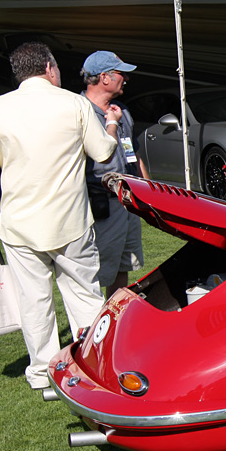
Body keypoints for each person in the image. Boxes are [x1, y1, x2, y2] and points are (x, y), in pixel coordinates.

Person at [0, 42, 120, 390]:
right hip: (71, 221)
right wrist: (110, 127)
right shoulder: (75, 103)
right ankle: (92, 364)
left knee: (34, 301)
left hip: (20, 224)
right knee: (84, 294)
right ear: (50, 69)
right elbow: (102, 152)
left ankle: (42, 371)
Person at [80, 51, 148, 297]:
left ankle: (115, 323)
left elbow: (134, 153)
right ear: (104, 78)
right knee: (96, 272)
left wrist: (149, 192)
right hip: (102, 207)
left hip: (128, 204)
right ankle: (91, 328)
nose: (126, 79)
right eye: (121, 73)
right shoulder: (79, 112)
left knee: (123, 266)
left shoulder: (123, 111)